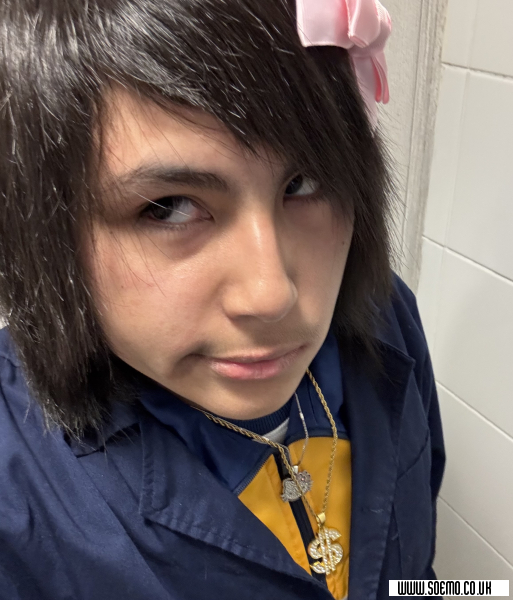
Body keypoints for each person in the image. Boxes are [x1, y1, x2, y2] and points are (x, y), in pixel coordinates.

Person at [0, 0, 445, 598]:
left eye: (304, 183)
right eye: (168, 207)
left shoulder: (386, 317)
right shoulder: (15, 481)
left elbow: (416, 579)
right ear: (44, 231)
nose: (273, 295)